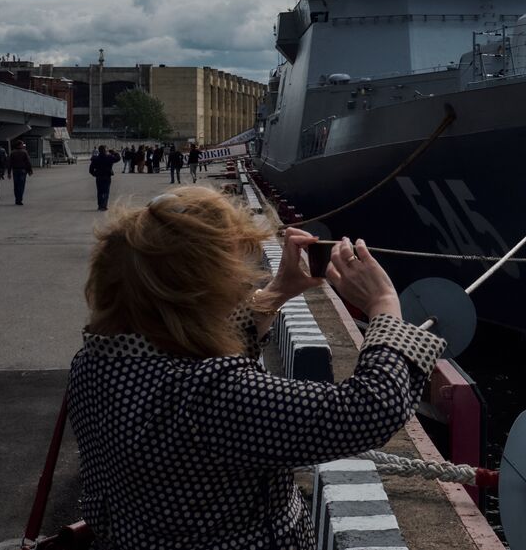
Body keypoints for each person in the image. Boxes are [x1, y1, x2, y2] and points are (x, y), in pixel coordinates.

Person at [68, 186, 442, 548]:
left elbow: (184, 348)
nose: (244, 279)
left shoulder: (96, 362)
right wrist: (385, 308)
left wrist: (280, 290)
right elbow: (367, 412)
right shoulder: (208, 397)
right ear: (200, 291)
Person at [89, 146, 121, 211]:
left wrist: (95, 174)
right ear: (105, 150)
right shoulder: (109, 157)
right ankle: (104, 206)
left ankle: (100, 205)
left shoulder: (95, 158)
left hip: (99, 177)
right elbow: (118, 158)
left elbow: (91, 170)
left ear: (99, 151)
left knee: (100, 191)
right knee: (106, 191)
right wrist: (114, 152)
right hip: (107, 176)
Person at [9, 140, 34, 205]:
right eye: (22, 144)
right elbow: (28, 162)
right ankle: (19, 199)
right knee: (21, 185)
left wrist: (9, 172)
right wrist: (30, 170)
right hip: (22, 170)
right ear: (19, 145)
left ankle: (17, 199)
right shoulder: (24, 152)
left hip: (15, 170)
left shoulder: (12, 152)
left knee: (16, 185)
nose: (23, 146)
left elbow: (9, 163)